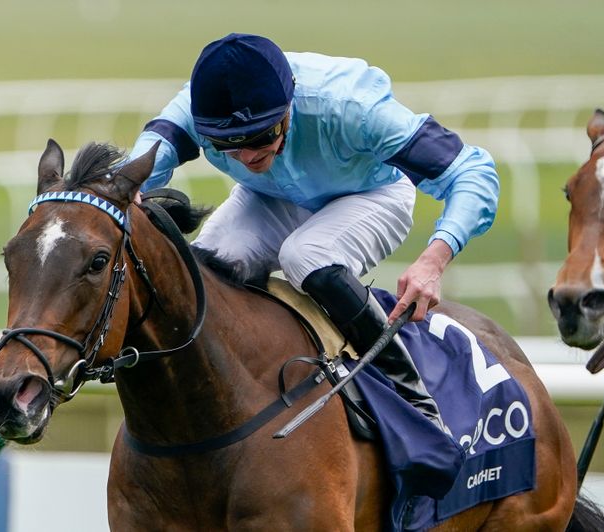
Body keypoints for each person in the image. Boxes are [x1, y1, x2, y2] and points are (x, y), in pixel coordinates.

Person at [126, 33, 500, 431]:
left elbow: (473, 171)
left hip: (373, 193)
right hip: (268, 197)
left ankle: (410, 395)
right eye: (226, 147)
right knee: (206, 270)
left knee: (305, 253)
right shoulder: (193, 108)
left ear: (289, 108)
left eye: (261, 137)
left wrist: (434, 259)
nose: (248, 156)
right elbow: (137, 169)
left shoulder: (350, 106)